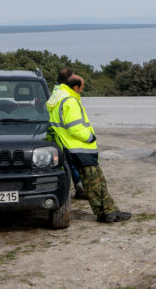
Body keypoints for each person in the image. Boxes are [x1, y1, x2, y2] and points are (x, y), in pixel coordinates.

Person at [47, 75, 132, 223]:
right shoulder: (70, 101)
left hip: (67, 147)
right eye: (82, 87)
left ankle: (106, 212)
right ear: (75, 87)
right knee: (97, 181)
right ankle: (108, 213)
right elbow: (75, 127)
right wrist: (90, 137)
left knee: (92, 183)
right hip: (79, 148)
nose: (82, 90)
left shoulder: (57, 98)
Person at [46, 68, 86, 199]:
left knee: (69, 163)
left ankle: (77, 187)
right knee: (71, 162)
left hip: (60, 134)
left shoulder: (56, 91)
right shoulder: (64, 93)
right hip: (67, 135)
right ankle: (79, 187)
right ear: (69, 79)